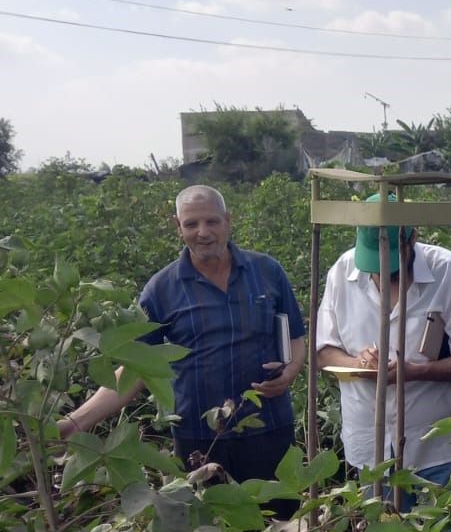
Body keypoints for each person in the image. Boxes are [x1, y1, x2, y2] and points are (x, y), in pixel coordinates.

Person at [58, 185, 306, 500]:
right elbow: (136, 369)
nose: (203, 232)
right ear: (178, 228)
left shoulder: (267, 271)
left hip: (268, 428)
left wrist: (291, 372)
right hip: (197, 439)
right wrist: (75, 422)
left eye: (212, 222)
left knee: (282, 528)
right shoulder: (161, 290)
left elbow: (296, 338)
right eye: (191, 224)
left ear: (228, 221)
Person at [315, 202, 451, 491]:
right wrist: (361, 364)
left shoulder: (448, 271)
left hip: (443, 451)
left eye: (393, 267)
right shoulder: (342, 273)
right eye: (375, 266)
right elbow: (324, 352)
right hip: (372, 450)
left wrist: (415, 371)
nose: (384, 274)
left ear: (413, 239)